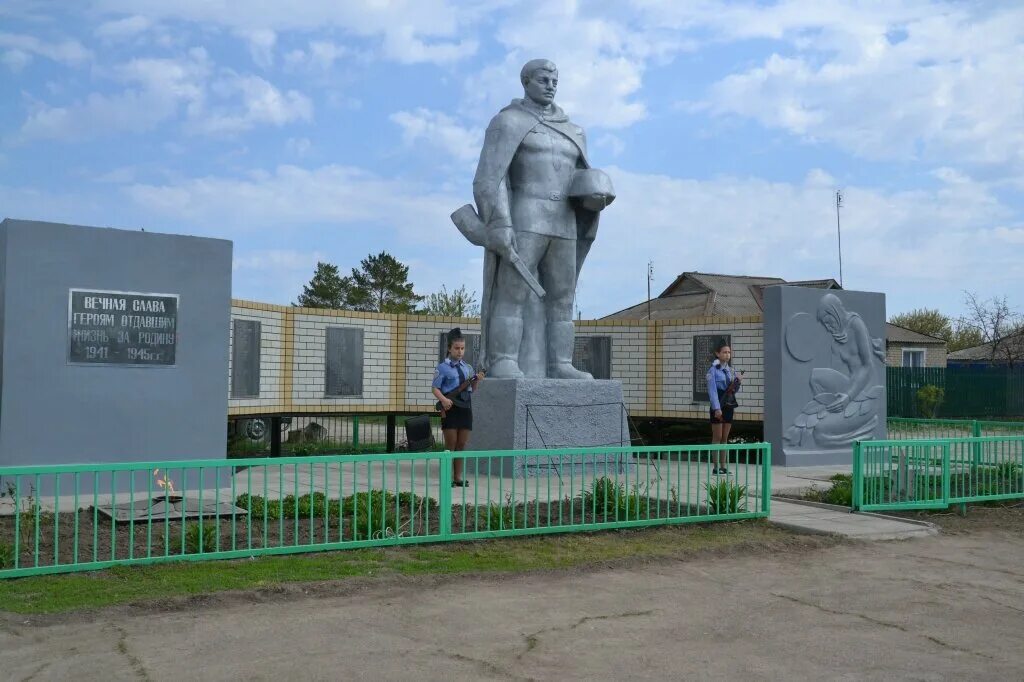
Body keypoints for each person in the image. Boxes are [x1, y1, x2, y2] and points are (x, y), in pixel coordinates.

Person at [467, 58, 615, 379]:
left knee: (563, 297)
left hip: (564, 223)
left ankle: (560, 363)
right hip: (525, 217)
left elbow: (580, 178)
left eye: (554, 81)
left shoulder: (573, 130)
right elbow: (488, 179)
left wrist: (594, 195)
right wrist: (500, 223)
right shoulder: (507, 122)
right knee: (512, 292)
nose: (550, 86)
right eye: (543, 79)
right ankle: (504, 357)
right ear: (526, 82)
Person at [432, 328, 482, 486]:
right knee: (450, 444)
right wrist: (443, 400)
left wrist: (477, 380)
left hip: (465, 407)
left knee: (461, 444)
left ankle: (457, 477)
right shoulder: (442, 368)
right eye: (456, 348)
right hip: (450, 407)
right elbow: (435, 388)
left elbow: (472, 390)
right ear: (449, 348)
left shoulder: (468, 367)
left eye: (462, 348)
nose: (460, 351)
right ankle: (447, 477)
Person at [706, 342, 742, 475]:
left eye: (729, 352)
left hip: (729, 405)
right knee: (717, 436)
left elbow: (733, 391)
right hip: (718, 406)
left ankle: (723, 466)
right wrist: (716, 408)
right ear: (717, 354)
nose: (727, 355)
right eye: (724, 352)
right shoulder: (713, 370)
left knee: (725, 437)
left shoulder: (731, 370)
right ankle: (716, 468)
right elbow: (712, 391)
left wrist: (738, 382)